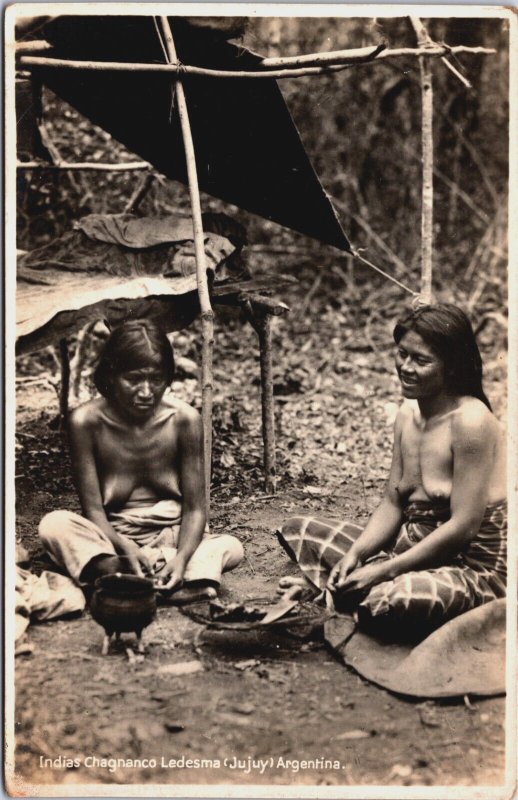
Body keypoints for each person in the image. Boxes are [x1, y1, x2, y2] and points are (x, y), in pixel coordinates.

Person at [277, 303, 507, 636]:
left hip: (471, 566)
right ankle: (347, 587)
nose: (406, 367)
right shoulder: (406, 415)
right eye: (402, 354)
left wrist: (383, 570)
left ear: (452, 367)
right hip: (412, 549)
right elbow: (393, 502)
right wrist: (356, 556)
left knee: (390, 599)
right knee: (301, 529)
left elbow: (463, 527)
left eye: (421, 360)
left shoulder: (471, 422)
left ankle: (337, 592)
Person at [39, 319, 244, 603]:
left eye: (156, 379)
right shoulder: (86, 422)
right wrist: (123, 547)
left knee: (231, 546)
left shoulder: (184, 420)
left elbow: (196, 509)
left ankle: (129, 578)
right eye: (134, 379)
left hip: (172, 537)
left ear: (168, 378)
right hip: (112, 536)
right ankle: (173, 581)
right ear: (112, 376)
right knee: (54, 525)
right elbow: (93, 512)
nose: (146, 392)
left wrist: (182, 557)